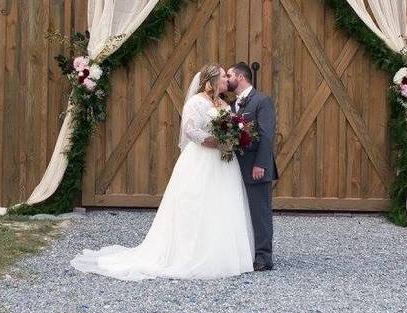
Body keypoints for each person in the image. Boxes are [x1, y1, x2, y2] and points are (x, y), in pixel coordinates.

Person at [70, 63, 254, 280]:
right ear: (211, 81)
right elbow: (190, 130)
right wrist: (213, 142)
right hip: (202, 159)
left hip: (223, 162)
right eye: (223, 77)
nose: (227, 80)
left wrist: (231, 138)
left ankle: (225, 254)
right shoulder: (196, 103)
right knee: (195, 204)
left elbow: (230, 127)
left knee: (223, 203)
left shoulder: (224, 103)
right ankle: (192, 253)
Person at [226, 62, 279, 271]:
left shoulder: (261, 100)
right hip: (236, 168)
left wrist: (261, 165)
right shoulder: (232, 104)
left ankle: (264, 257)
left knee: (259, 212)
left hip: (256, 167)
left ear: (240, 77)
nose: (226, 79)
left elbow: (266, 135)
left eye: (229, 75)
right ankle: (245, 252)